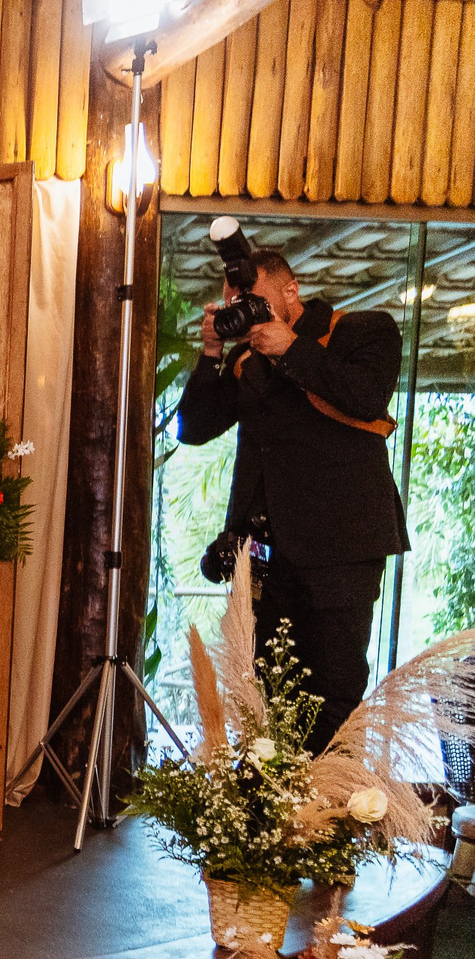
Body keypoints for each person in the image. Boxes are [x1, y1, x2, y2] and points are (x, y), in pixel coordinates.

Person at [177, 248, 409, 753]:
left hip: (342, 549)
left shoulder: (362, 330)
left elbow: (365, 398)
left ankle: (327, 801)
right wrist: (212, 352)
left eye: (254, 300)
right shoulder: (245, 360)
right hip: (265, 554)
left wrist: (291, 348)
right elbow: (192, 428)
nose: (246, 313)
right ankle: (269, 800)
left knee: (334, 692)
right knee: (266, 692)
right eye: (236, 304)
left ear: (290, 291)